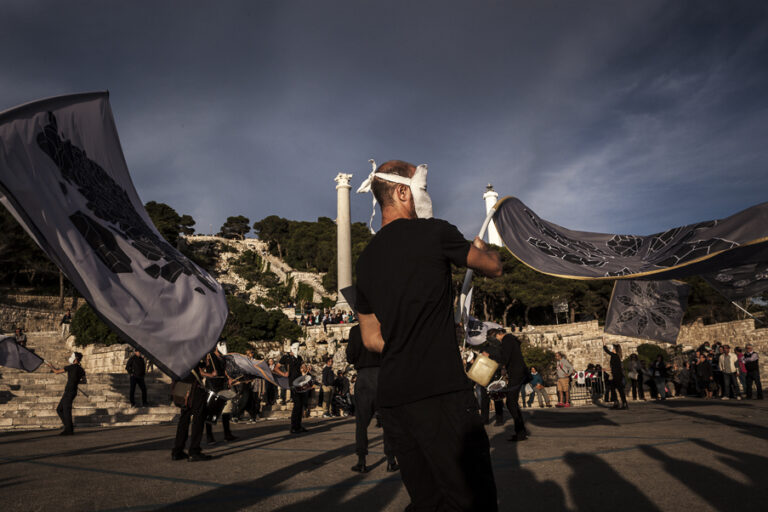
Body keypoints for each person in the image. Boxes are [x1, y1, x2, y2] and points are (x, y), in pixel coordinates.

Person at [355, 159, 503, 511]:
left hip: (394, 398)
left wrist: (409, 340)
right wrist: (483, 250)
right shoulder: (435, 232)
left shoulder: (365, 260)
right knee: (472, 498)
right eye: (422, 188)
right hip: (439, 392)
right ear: (403, 192)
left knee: (428, 500)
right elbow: (494, 267)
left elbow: (371, 338)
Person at [346, 324, 398, 473]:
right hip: (383, 376)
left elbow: (350, 357)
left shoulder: (356, 330)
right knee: (388, 421)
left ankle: (361, 461)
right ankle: (391, 460)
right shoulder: (385, 326)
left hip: (364, 378)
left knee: (361, 423)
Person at [487, 328, 529, 441]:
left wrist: (489, 356)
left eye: (495, 338)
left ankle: (521, 432)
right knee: (512, 402)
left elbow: (504, 359)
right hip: (517, 373)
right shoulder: (510, 339)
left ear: (499, 334)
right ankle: (521, 432)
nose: (496, 340)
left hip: (517, 374)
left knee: (510, 402)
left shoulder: (507, 340)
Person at [172, 361, 212, 461]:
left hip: (182, 387)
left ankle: (177, 451)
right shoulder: (195, 350)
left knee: (184, 420)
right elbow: (199, 370)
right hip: (194, 389)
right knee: (198, 419)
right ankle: (194, 451)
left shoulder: (181, 351)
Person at [203, 342, 237, 444]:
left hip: (222, 384)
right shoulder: (209, 355)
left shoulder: (223, 358)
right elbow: (202, 368)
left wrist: (229, 378)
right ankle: (209, 436)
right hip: (212, 385)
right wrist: (210, 374)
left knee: (226, 411)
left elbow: (225, 371)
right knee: (210, 412)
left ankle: (227, 434)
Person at [47, 352, 85, 435]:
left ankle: (69, 430)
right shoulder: (81, 369)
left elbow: (56, 371)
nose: (71, 358)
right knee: (59, 409)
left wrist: (50, 365)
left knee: (66, 410)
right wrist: (75, 380)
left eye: (72, 357)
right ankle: (69, 427)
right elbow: (84, 381)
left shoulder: (71, 367)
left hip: (69, 391)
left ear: (76, 359)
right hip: (72, 391)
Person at [274, 341, 308, 433]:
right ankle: (294, 427)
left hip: (299, 382)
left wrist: (306, 368)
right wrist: (283, 374)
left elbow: (303, 367)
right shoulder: (286, 357)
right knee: (297, 404)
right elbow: (276, 368)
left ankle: (298, 426)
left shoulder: (299, 357)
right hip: (292, 383)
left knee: (300, 404)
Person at [603, 344, 628, 409]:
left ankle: (622, 403)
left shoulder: (615, 355)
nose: (611, 349)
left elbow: (607, 351)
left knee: (619, 390)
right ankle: (618, 403)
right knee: (614, 389)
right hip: (616, 375)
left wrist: (604, 346)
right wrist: (606, 369)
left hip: (617, 376)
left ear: (615, 349)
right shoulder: (616, 356)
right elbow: (614, 367)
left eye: (612, 348)